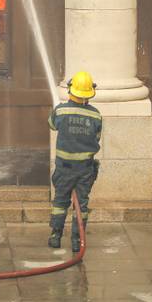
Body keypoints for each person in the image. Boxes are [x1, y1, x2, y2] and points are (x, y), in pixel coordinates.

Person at [47, 70, 102, 252]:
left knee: (60, 201)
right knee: (82, 204)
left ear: (71, 89)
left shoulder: (61, 110)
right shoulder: (95, 115)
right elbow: (97, 136)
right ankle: (77, 240)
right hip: (85, 170)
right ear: (89, 92)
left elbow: (52, 124)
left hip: (64, 168)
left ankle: (55, 236)